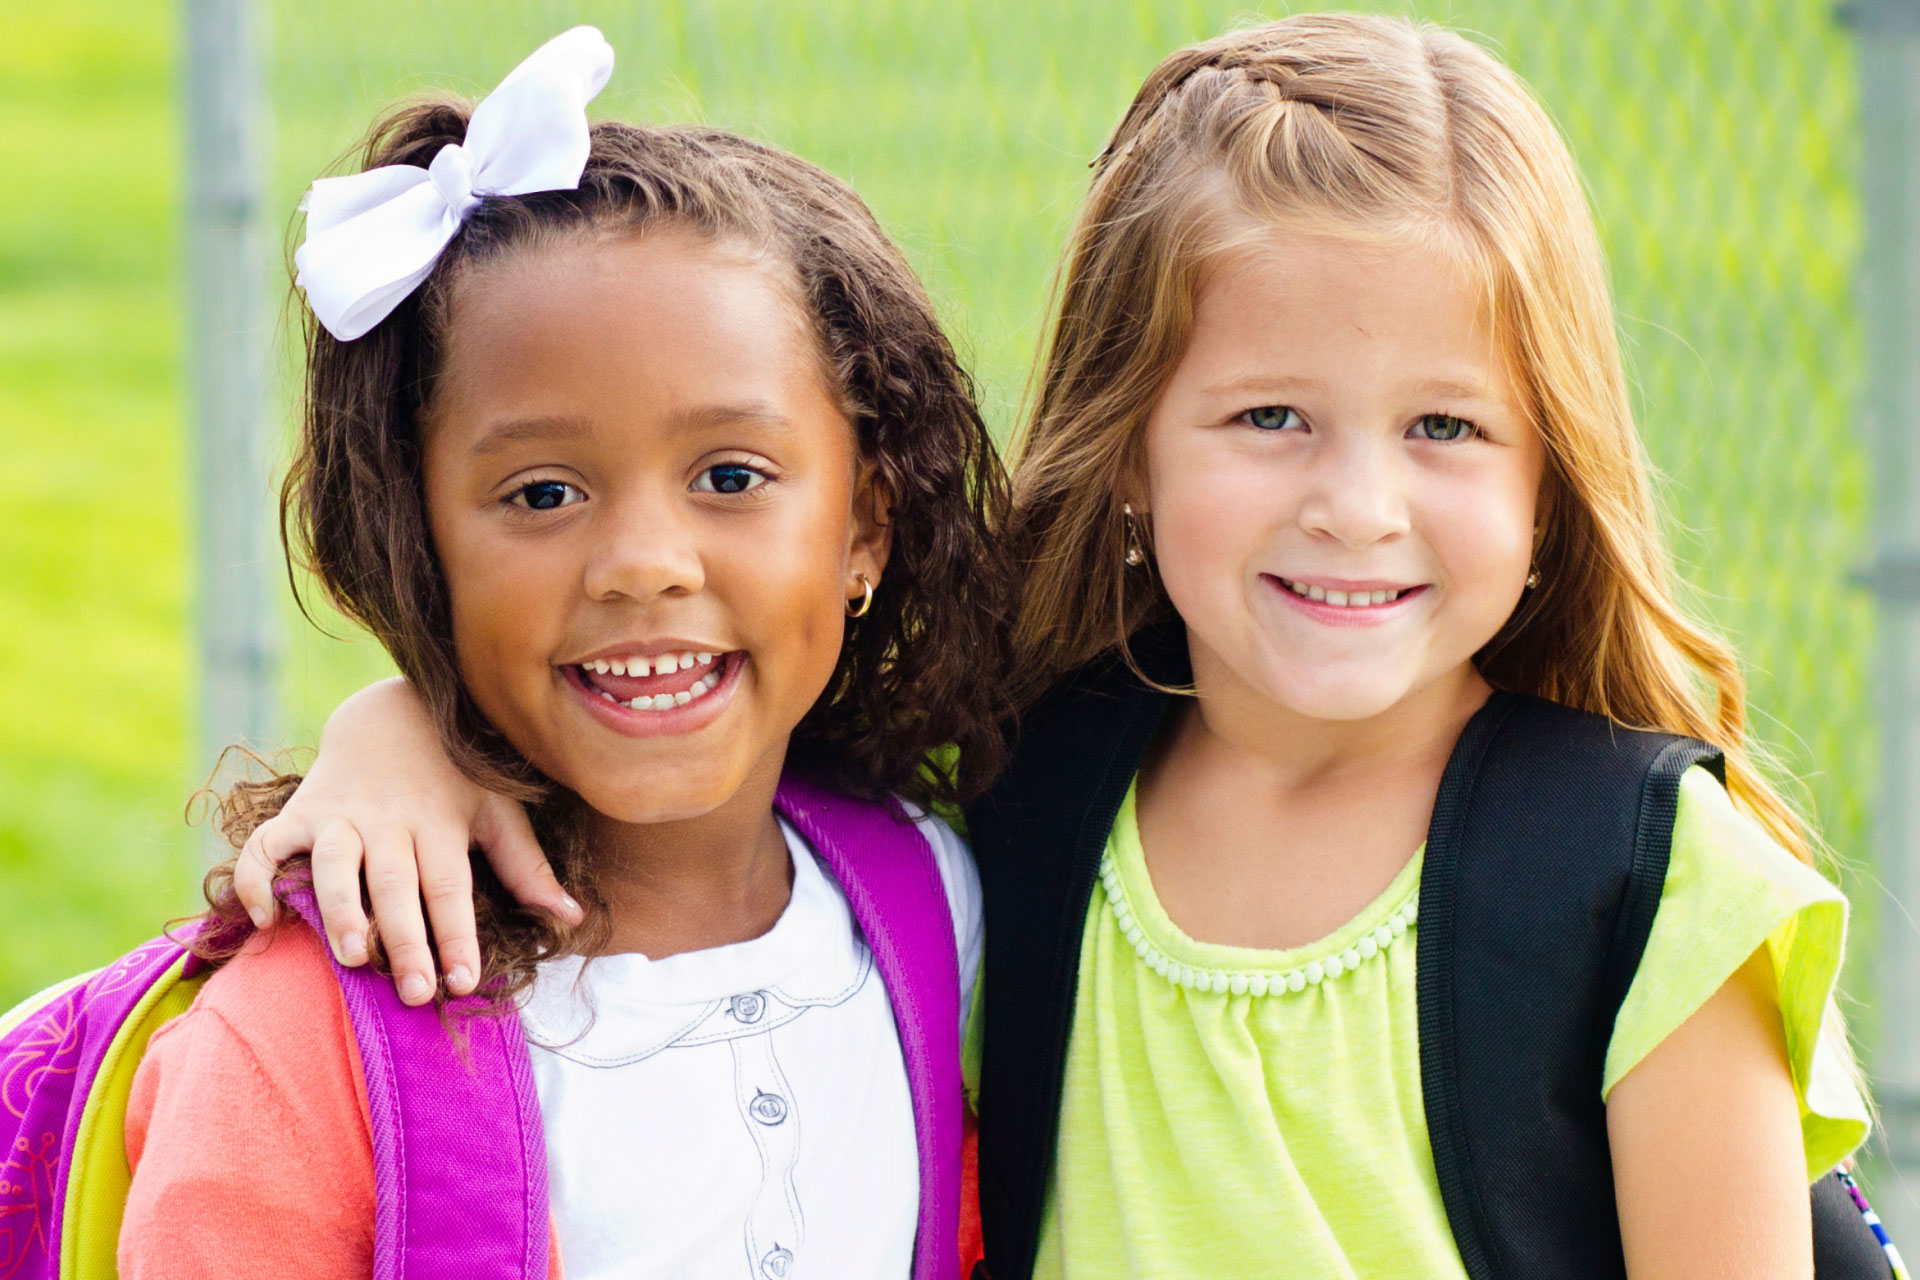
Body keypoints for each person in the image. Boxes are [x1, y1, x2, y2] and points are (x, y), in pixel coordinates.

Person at [235, 14, 1872, 1278]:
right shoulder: (1022, 790)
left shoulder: (1645, 883)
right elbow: (693, 716)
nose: (1357, 505)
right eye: (1268, 417)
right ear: (1132, 446)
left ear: (1549, 476)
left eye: (1446, 426)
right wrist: (409, 724)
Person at [119, 27, 1008, 1279]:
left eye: (732, 475)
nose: (644, 561)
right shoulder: (304, 1035)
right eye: (542, 493)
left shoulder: (934, 905)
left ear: (866, 524)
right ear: (416, 540)